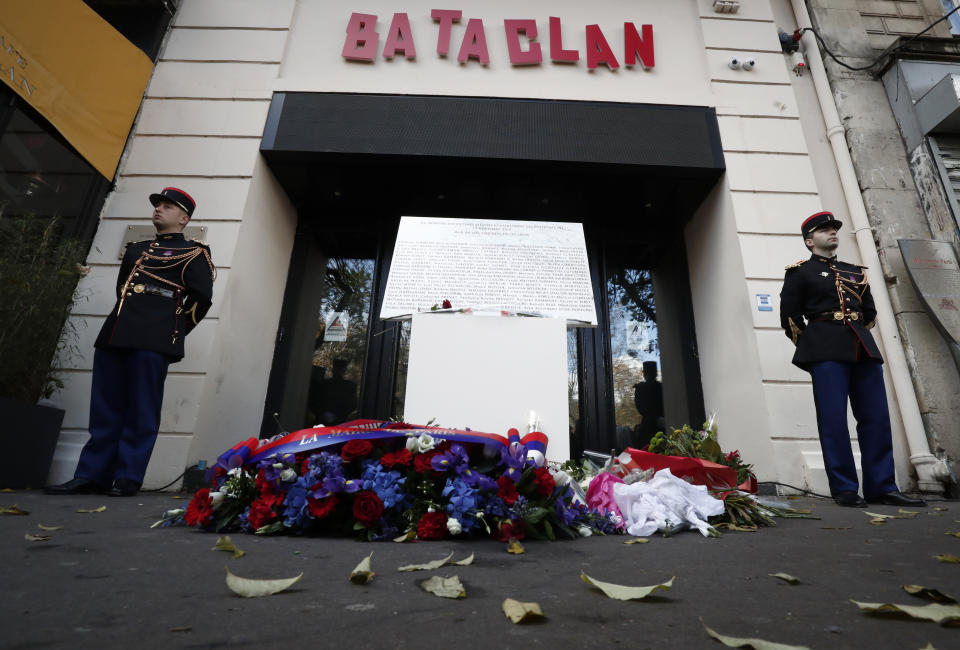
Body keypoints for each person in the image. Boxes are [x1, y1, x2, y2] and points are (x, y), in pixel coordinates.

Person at [46, 187, 215, 497]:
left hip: (155, 337)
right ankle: (92, 475)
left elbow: (202, 299)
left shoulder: (195, 252)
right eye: (157, 205)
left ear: (184, 218)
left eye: (167, 206)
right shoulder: (137, 249)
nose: (158, 210)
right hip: (118, 332)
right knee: (104, 408)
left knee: (141, 409)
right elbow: (123, 289)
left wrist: (173, 331)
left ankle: (127, 477)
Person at [779, 210, 924, 508]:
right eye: (824, 230)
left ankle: (882, 486)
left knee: (876, 419)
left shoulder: (855, 272)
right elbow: (790, 318)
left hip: (862, 348)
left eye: (834, 229)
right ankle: (844, 488)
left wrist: (852, 332)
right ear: (810, 241)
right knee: (833, 420)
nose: (832, 233)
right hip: (825, 350)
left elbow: (868, 313)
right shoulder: (800, 273)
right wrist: (814, 345)